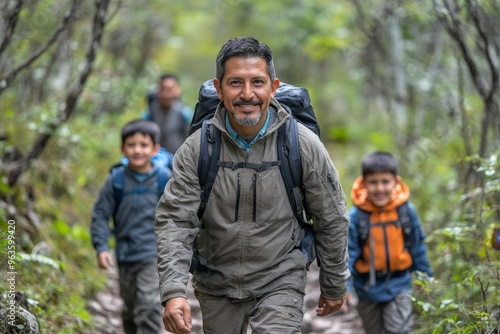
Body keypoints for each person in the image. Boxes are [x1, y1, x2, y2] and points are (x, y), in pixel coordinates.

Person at [155, 36, 350, 334]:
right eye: (235, 83)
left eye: (257, 82)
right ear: (218, 88)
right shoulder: (198, 148)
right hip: (215, 282)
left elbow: (332, 215)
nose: (248, 94)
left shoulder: (302, 145)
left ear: (273, 88)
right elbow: (175, 220)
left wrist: (334, 282)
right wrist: (173, 291)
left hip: (280, 279)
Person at [91, 119, 167, 334]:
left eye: (143, 145)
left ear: (155, 149)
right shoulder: (116, 180)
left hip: (153, 253)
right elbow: (100, 214)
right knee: (130, 309)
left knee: (149, 305)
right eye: (131, 145)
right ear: (122, 149)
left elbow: (176, 214)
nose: (137, 150)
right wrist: (102, 247)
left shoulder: (163, 179)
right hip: (124, 254)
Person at [343, 151, 433, 334]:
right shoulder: (357, 216)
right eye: (373, 182)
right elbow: (349, 255)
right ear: (364, 182)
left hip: (400, 284)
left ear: (396, 182)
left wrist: (425, 276)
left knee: (399, 330)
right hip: (366, 288)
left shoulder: (405, 212)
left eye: (385, 182)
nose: (379, 188)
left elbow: (417, 246)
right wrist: (345, 287)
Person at [143, 73, 193, 153]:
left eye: (170, 90)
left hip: (178, 161)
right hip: (155, 160)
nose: (166, 95)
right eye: (163, 89)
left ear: (178, 90)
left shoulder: (185, 113)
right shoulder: (151, 112)